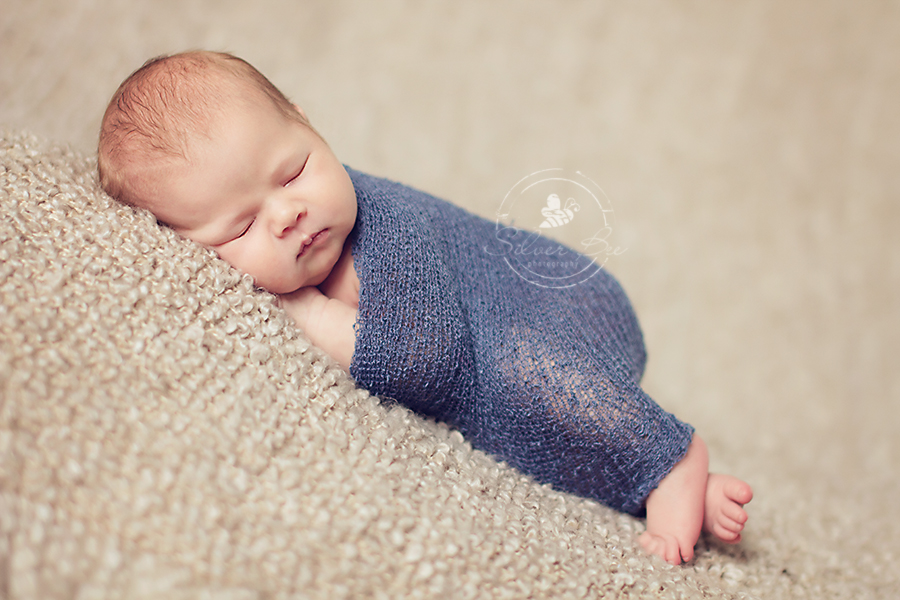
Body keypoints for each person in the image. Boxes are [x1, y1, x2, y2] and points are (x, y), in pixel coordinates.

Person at [98, 50, 753, 565]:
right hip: (524, 320)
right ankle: (662, 487)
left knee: (519, 374)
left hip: (565, 301)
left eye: (294, 170)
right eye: (240, 228)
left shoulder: (393, 225)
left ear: (307, 123)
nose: (288, 214)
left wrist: (311, 315)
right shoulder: (296, 231)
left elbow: (428, 362)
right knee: (528, 424)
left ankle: (669, 457)